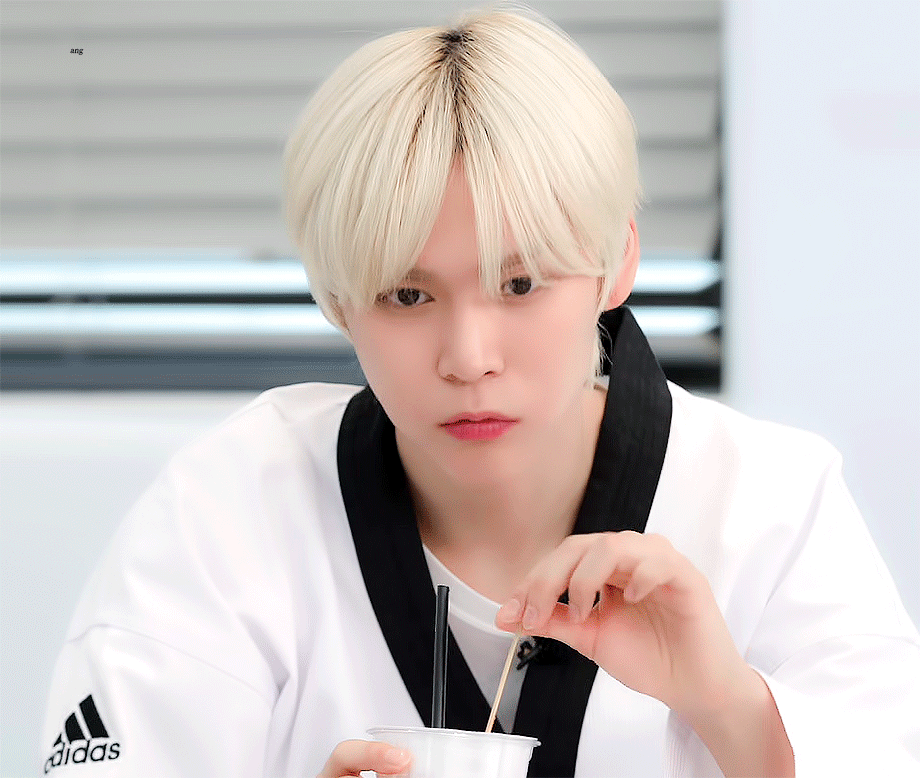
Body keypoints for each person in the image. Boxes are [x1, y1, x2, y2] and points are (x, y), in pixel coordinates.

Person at [42, 7, 919, 777]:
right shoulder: (229, 512)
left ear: (616, 263)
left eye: (522, 283)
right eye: (407, 295)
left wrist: (732, 708)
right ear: (337, 299)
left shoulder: (772, 507)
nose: (468, 358)